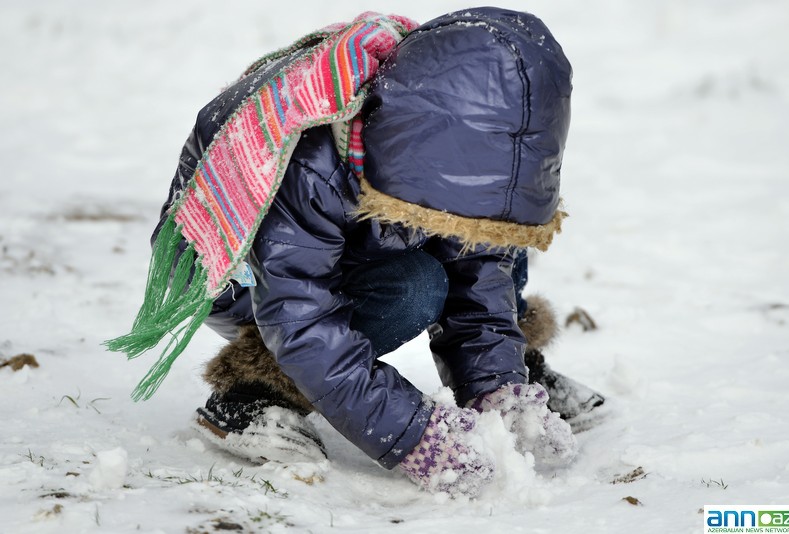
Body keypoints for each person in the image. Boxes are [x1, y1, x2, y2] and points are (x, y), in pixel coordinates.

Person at [128, 7, 606, 498]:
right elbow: (300, 314)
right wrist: (414, 433)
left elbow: (478, 269)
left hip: (348, 249)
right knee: (415, 288)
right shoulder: (311, 160)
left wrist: (497, 390)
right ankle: (254, 393)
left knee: (498, 235)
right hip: (243, 278)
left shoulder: (448, 146)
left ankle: (509, 375)